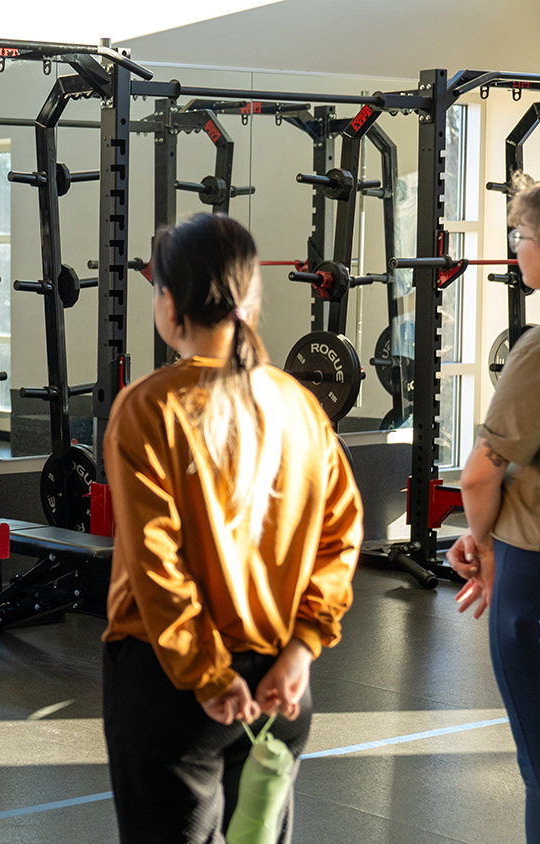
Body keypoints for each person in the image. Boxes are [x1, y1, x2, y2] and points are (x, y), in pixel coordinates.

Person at [100, 213, 363, 843]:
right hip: (281, 685)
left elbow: (156, 565)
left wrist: (210, 677)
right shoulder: (300, 404)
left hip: (174, 690)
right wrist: (300, 652)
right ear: (249, 299)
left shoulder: (147, 407)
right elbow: (342, 537)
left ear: (169, 303)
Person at [447, 176, 540, 843]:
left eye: (523, 237)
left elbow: (481, 475)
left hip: (531, 568)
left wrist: (478, 542)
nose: (515, 250)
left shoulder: (538, 352)